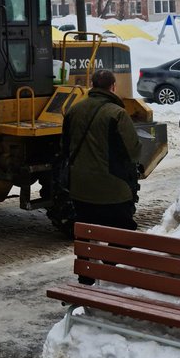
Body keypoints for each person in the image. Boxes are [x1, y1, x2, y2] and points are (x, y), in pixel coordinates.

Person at [60, 70, 142, 282]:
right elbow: (133, 151)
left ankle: (86, 276)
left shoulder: (74, 110)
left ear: (93, 85)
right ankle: (111, 271)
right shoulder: (117, 113)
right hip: (112, 188)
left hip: (81, 188)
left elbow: (65, 146)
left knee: (87, 231)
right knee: (123, 230)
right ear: (113, 87)